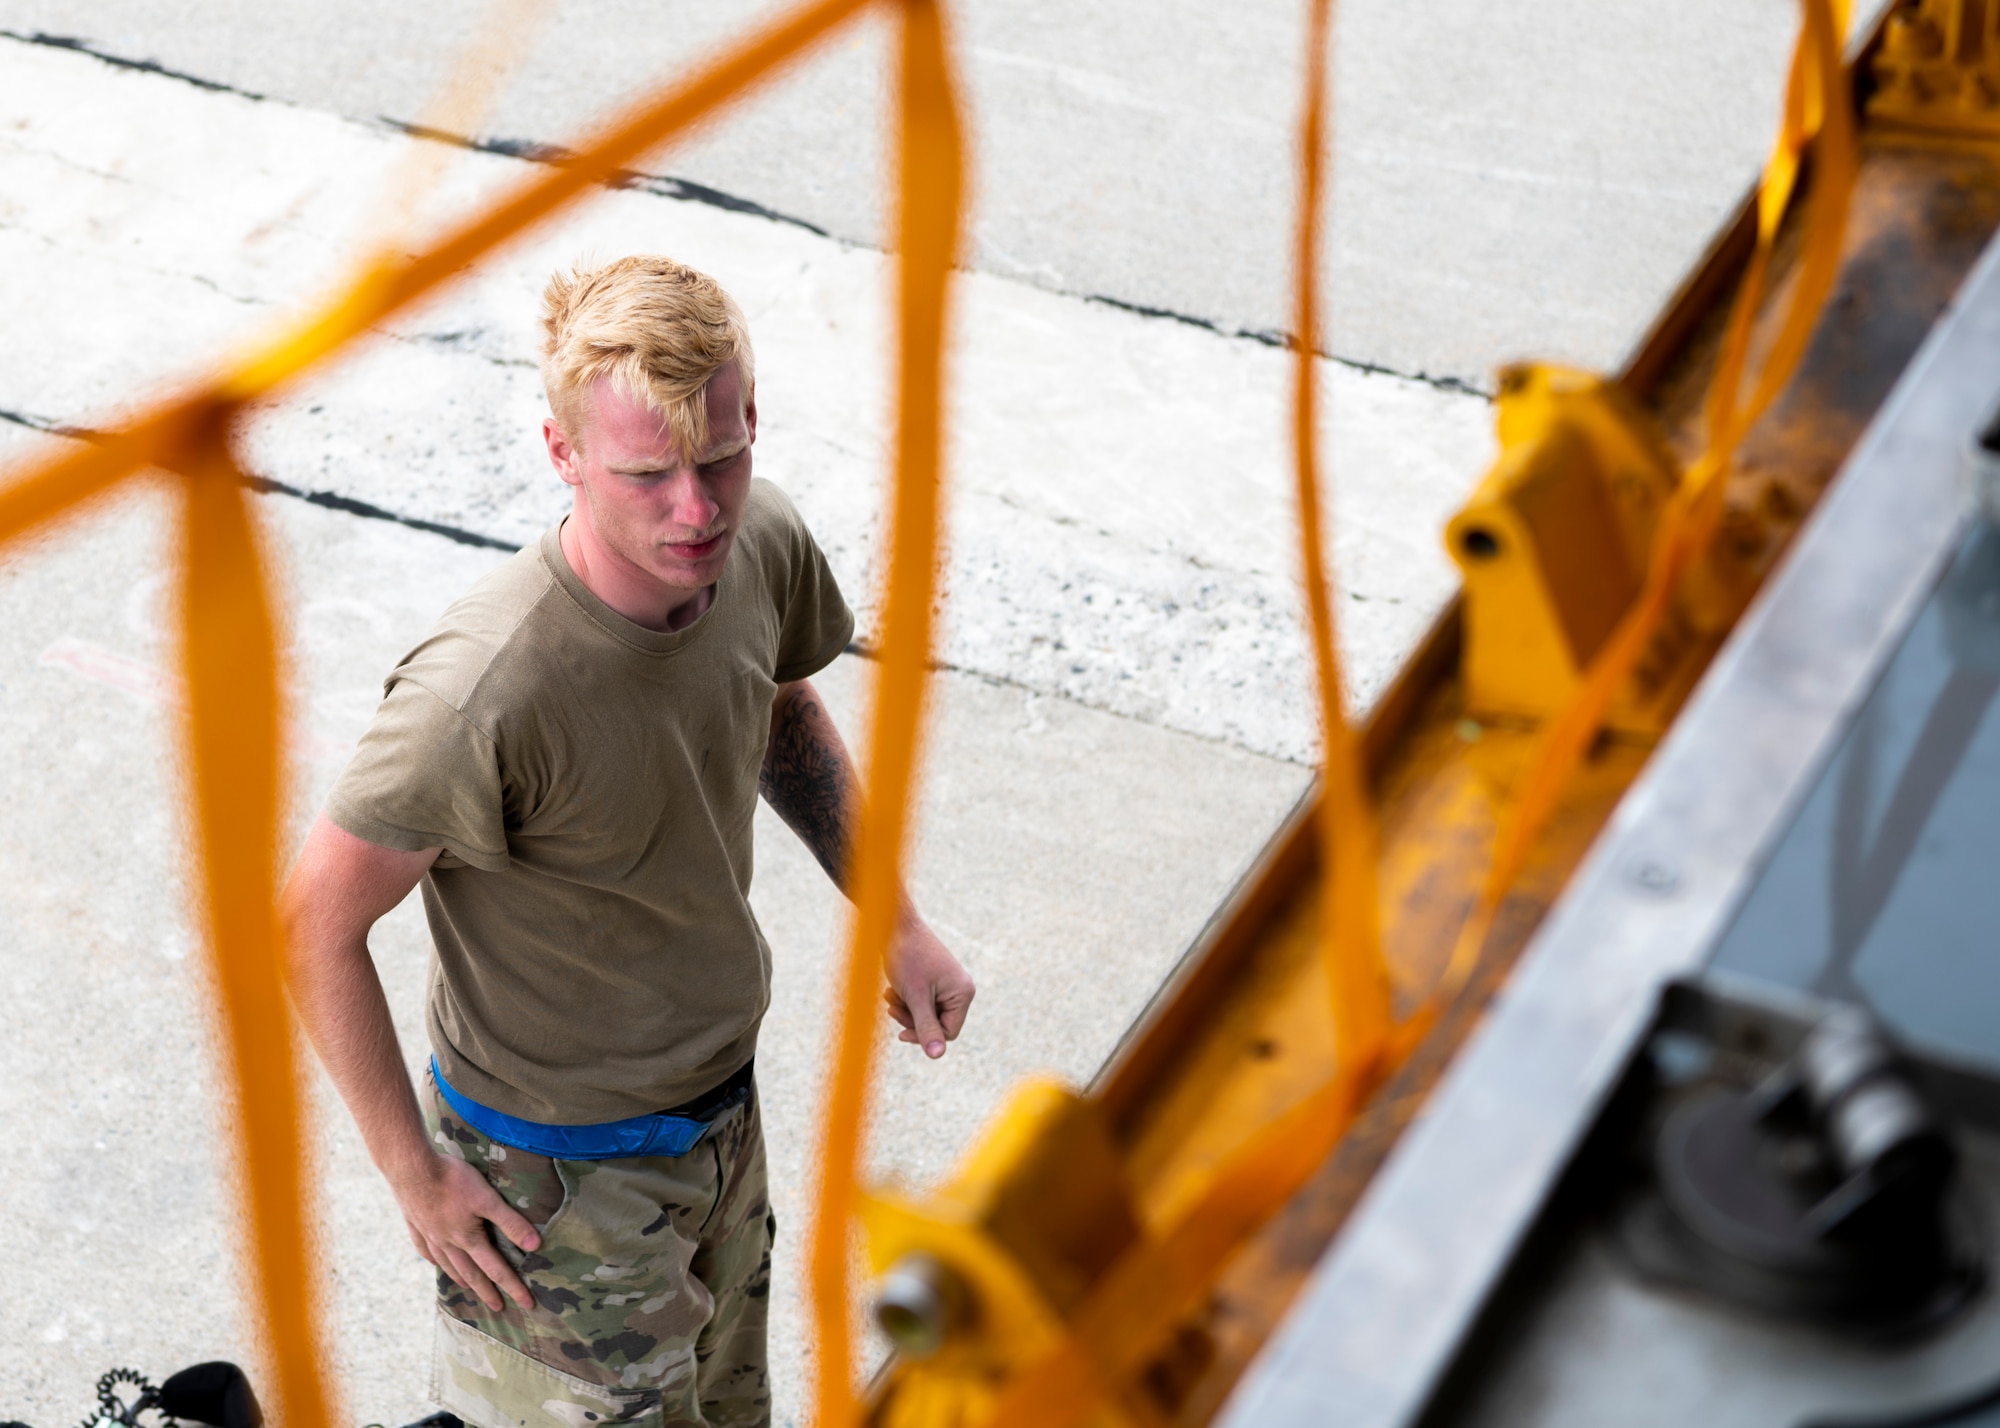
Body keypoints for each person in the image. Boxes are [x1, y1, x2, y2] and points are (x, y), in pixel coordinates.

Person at [279, 254, 975, 1428]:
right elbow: (310, 926)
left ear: (750, 416)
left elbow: (773, 706)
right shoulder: (485, 694)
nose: (696, 511)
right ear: (563, 457)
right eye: (646, 475)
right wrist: (414, 1176)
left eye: (720, 458)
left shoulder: (762, 548)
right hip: (554, 1188)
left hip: (719, 1123)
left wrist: (895, 922)